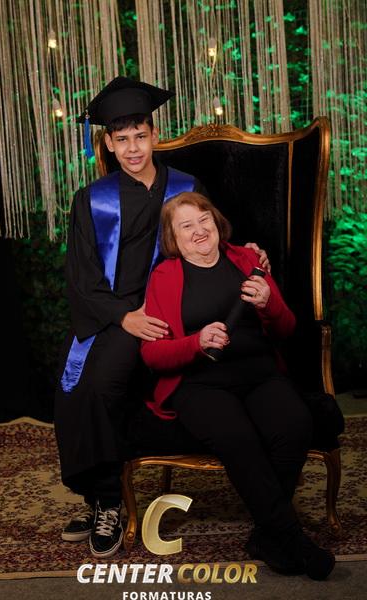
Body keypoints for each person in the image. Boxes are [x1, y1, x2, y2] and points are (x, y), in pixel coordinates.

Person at [54, 76, 270, 559]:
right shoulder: (92, 199)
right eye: (122, 139)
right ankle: (104, 499)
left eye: (140, 136)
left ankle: (106, 498)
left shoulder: (186, 186)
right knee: (87, 384)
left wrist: (248, 252)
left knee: (108, 382)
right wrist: (124, 317)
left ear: (154, 134)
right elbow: (82, 278)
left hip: (177, 305)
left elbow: (208, 236)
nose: (133, 148)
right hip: (120, 313)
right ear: (108, 143)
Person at [140, 191, 335, 580]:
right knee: (237, 436)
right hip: (199, 383)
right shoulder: (164, 277)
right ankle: (292, 539)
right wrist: (196, 342)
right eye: (186, 226)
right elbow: (152, 356)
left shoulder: (247, 259)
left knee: (295, 424)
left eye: (204, 220)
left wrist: (268, 303)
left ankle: (266, 536)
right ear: (173, 238)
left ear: (217, 222)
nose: (199, 231)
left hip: (259, 373)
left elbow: (286, 328)